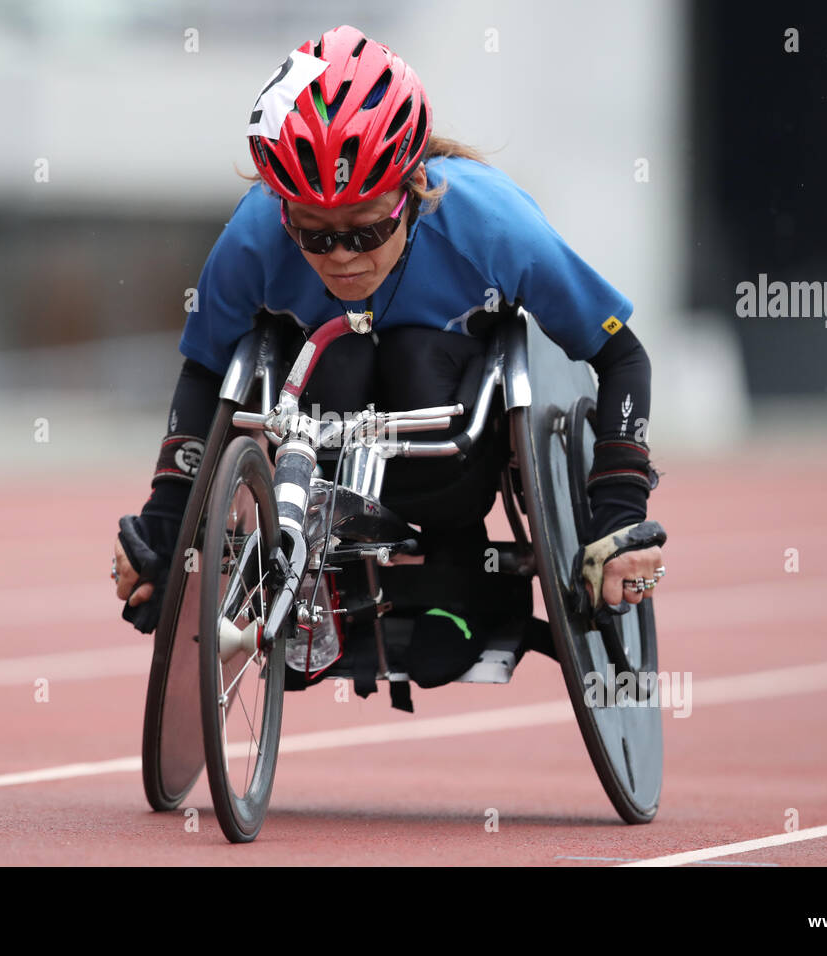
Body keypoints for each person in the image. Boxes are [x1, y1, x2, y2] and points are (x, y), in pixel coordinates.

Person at [113, 24, 666, 638]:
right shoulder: (252, 239)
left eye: (368, 229)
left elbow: (621, 357)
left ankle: (455, 560)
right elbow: (206, 371)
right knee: (341, 354)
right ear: (282, 210)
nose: (344, 256)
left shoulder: (493, 225)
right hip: (318, 449)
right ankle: (311, 569)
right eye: (315, 236)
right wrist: (163, 529)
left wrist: (619, 516)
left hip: (452, 458)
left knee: (412, 354)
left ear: (415, 189)